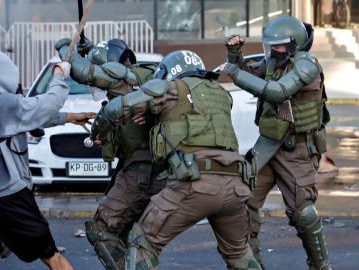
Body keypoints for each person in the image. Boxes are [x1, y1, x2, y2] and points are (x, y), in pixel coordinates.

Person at [93, 50, 260, 270]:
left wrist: (99, 129)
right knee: (239, 254)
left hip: (195, 183)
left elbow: (118, 108)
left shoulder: (171, 88)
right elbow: (188, 115)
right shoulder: (220, 93)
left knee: (141, 244)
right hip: (237, 186)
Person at [0, 46, 94, 270]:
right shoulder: (5, 103)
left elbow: (27, 116)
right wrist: (59, 75)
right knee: (51, 255)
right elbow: (47, 104)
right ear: (7, 76)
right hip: (9, 195)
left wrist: (69, 118)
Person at [220, 16, 332, 270]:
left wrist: (235, 75)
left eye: (280, 45)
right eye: (271, 45)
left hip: (298, 149)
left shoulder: (307, 66)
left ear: (295, 44)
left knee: (302, 213)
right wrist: (234, 53)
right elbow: (252, 76)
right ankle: (252, 264)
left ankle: (321, 266)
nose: (274, 50)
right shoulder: (276, 61)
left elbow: (277, 92)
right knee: (242, 199)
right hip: (269, 145)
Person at [55, 38, 164, 270]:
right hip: (156, 170)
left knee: (102, 229)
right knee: (128, 236)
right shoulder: (146, 76)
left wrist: (66, 48)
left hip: (140, 173)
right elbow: (106, 61)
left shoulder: (121, 78)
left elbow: (83, 72)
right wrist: (88, 49)